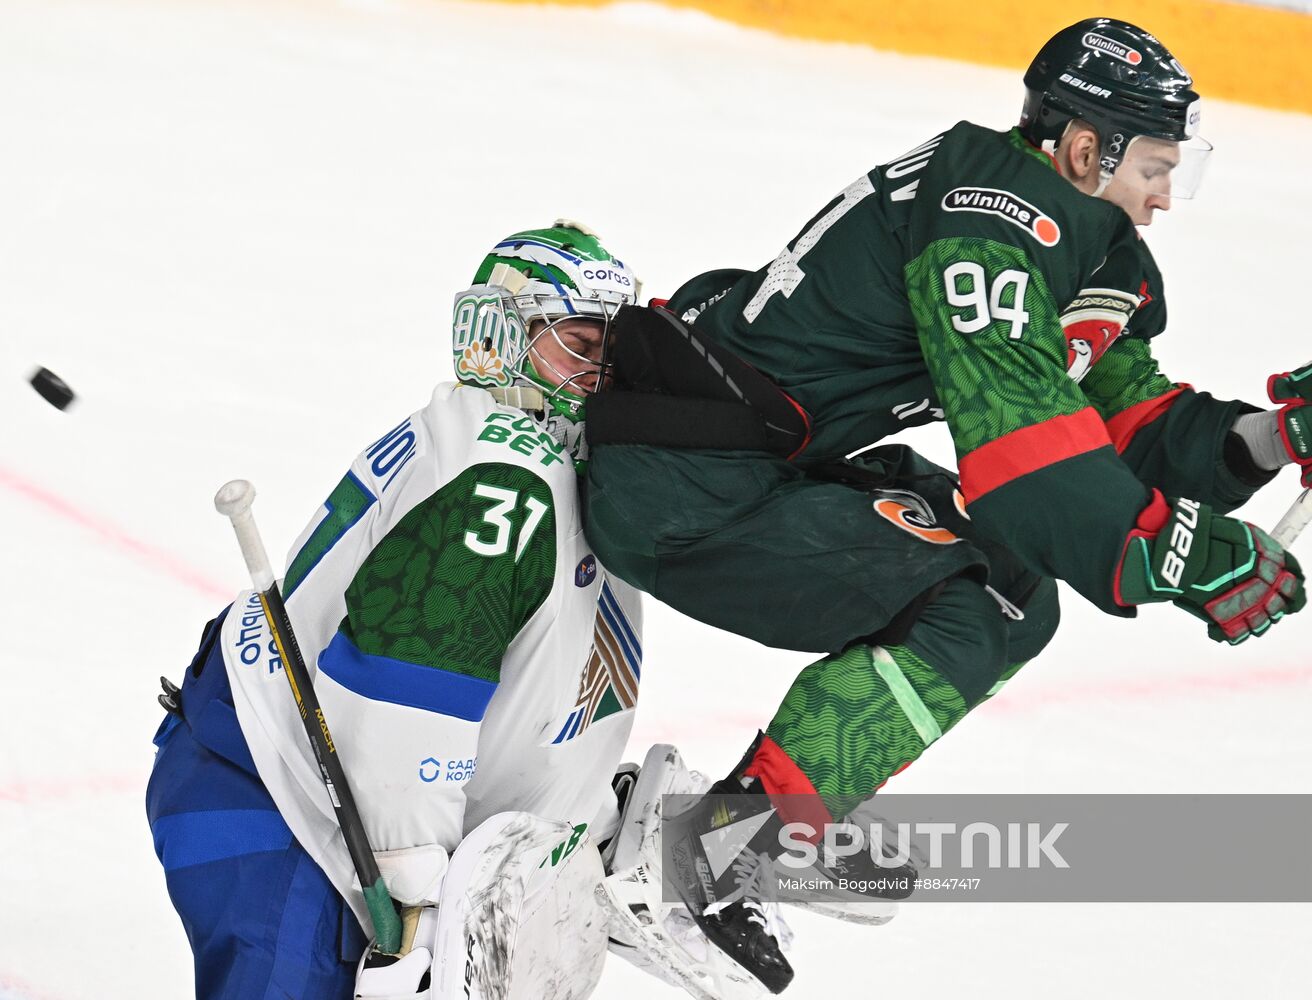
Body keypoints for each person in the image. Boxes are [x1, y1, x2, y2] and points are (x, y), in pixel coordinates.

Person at [582, 18, 1310, 993]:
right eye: (1155, 165)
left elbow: (1132, 424)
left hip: (753, 458)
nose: (1166, 197)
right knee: (990, 595)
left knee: (1007, 576)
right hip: (686, 485)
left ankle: (756, 819)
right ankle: (701, 869)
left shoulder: (1072, 237)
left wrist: (1272, 438)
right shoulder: (990, 216)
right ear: (1085, 150)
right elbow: (1024, 454)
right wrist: (1187, 556)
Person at [146, 221, 649, 1000]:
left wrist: (577, 814)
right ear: (498, 337)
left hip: (333, 810)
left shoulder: (547, 461)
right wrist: (414, 888)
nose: (597, 371)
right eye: (577, 341)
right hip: (284, 808)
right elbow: (402, 686)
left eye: (609, 349)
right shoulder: (502, 475)